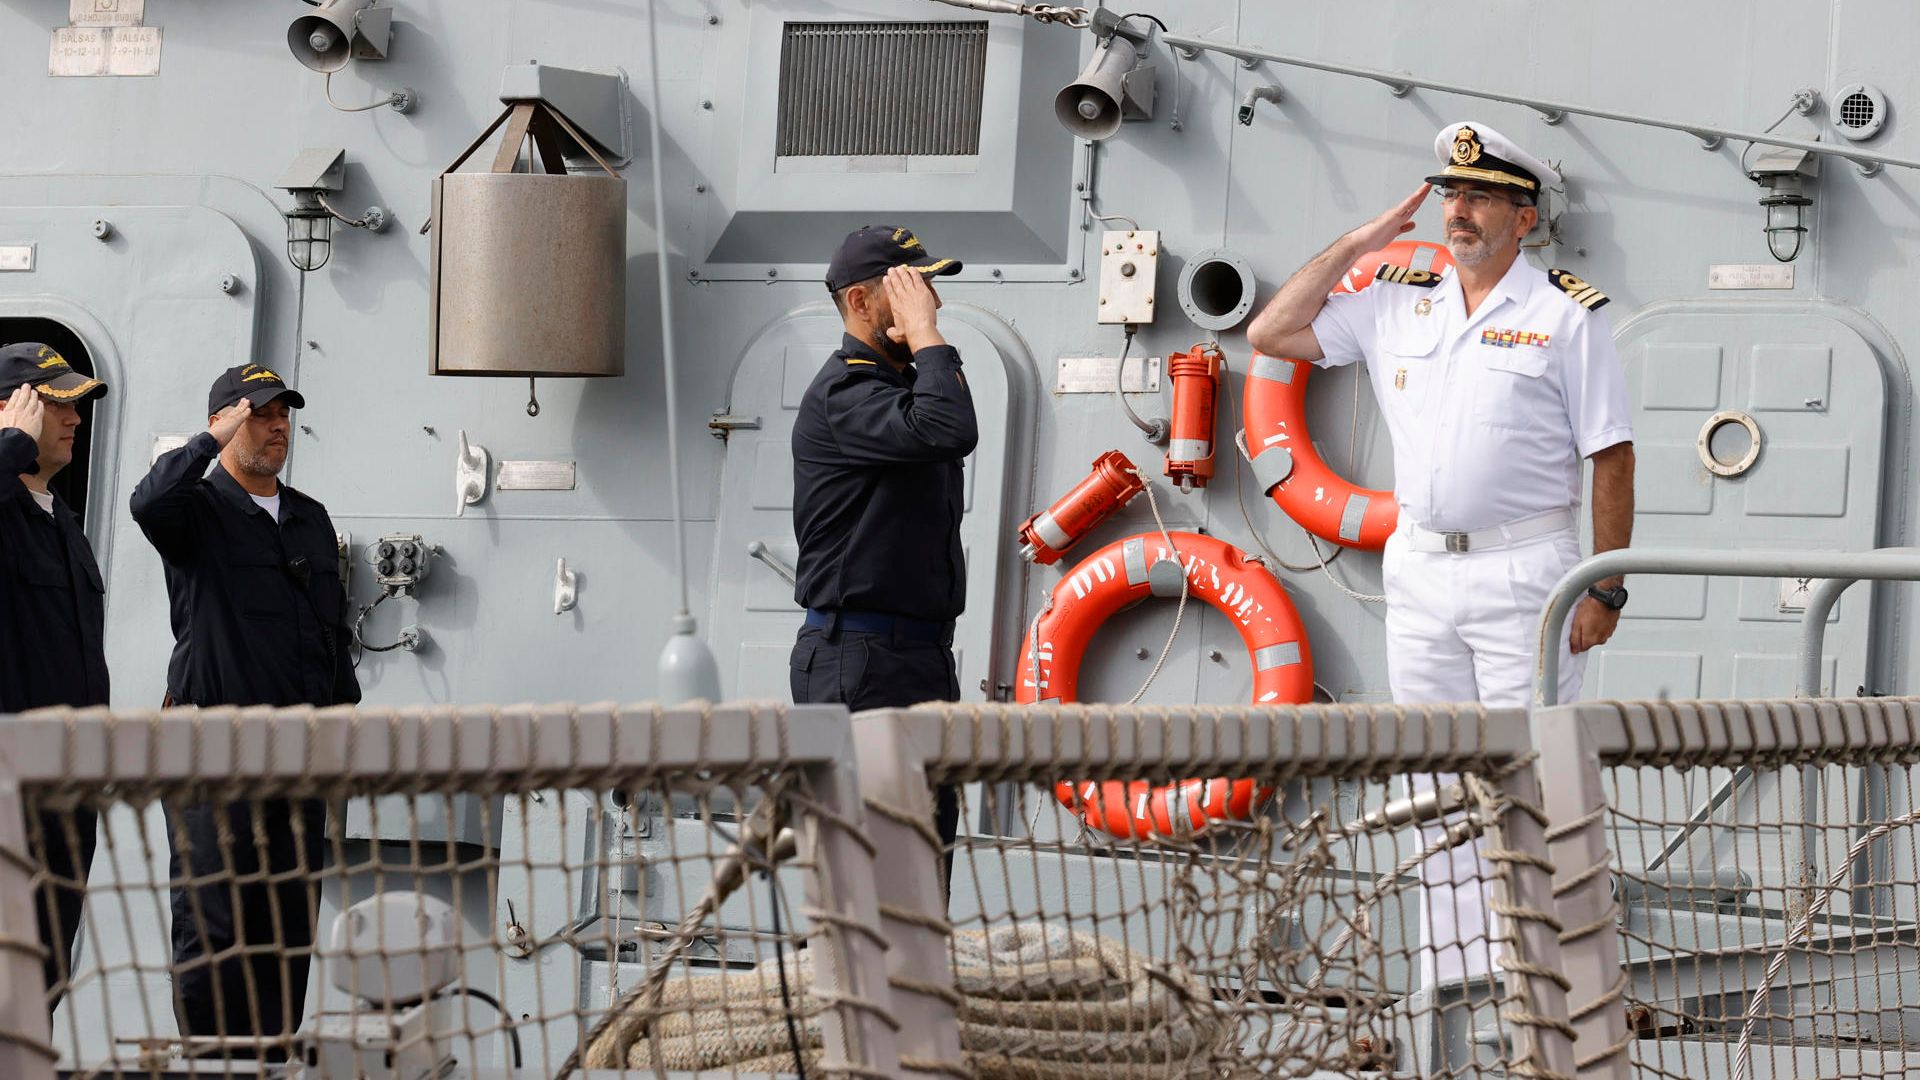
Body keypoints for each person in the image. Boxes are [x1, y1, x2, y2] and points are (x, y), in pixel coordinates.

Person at [1247, 122, 1635, 984]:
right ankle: (1453, 991)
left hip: (1525, 573)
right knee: (1435, 784)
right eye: (1452, 194)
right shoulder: (1397, 297)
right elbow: (1272, 335)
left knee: (1534, 783)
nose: (1458, 211)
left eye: (1481, 197)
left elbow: (1612, 455)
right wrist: (1358, 242)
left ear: (1524, 218)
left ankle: (1549, 990)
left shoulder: (1564, 316)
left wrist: (1605, 588)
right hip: (1420, 572)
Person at [129, 364, 360, 1055]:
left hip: (298, 759)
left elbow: (328, 630)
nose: (277, 425)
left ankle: (268, 1061)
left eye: (283, 413)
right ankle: (209, 1063)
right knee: (214, 924)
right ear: (227, 421)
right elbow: (148, 504)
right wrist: (209, 441)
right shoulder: (195, 511)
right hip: (213, 754)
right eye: (260, 414)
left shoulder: (309, 518)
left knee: (287, 925)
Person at [790, 225, 974, 886]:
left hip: (915, 662)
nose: (932, 304)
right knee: (866, 885)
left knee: (920, 876)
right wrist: (926, 335)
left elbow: (943, 420)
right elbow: (951, 428)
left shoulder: (898, 392)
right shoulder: (844, 394)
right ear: (863, 303)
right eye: (913, 289)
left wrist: (922, 341)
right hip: (858, 664)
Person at [0, 344, 109, 1001]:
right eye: (56, 404)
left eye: (77, 405)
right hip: (9, 789)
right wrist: (11, 441)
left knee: (46, 976)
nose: (73, 419)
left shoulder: (62, 522)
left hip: (69, 789)